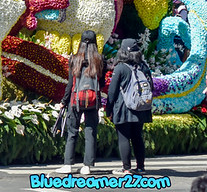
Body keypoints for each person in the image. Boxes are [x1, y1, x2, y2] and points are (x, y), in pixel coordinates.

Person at [57, 29, 104, 175]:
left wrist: (64, 101)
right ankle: (87, 166)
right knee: (90, 131)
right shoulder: (100, 59)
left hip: (75, 99)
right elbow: (101, 82)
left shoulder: (74, 59)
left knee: (72, 131)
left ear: (81, 42)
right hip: (92, 100)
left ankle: (68, 165)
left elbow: (70, 83)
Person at [106, 38, 153, 175]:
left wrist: (108, 109)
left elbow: (112, 91)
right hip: (141, 107)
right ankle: (140, 167)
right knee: (137, 136)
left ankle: (126, 168)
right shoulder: (144, 66)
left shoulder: (120, 67)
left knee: (124, 137)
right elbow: (151, 87)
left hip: (124, 108)